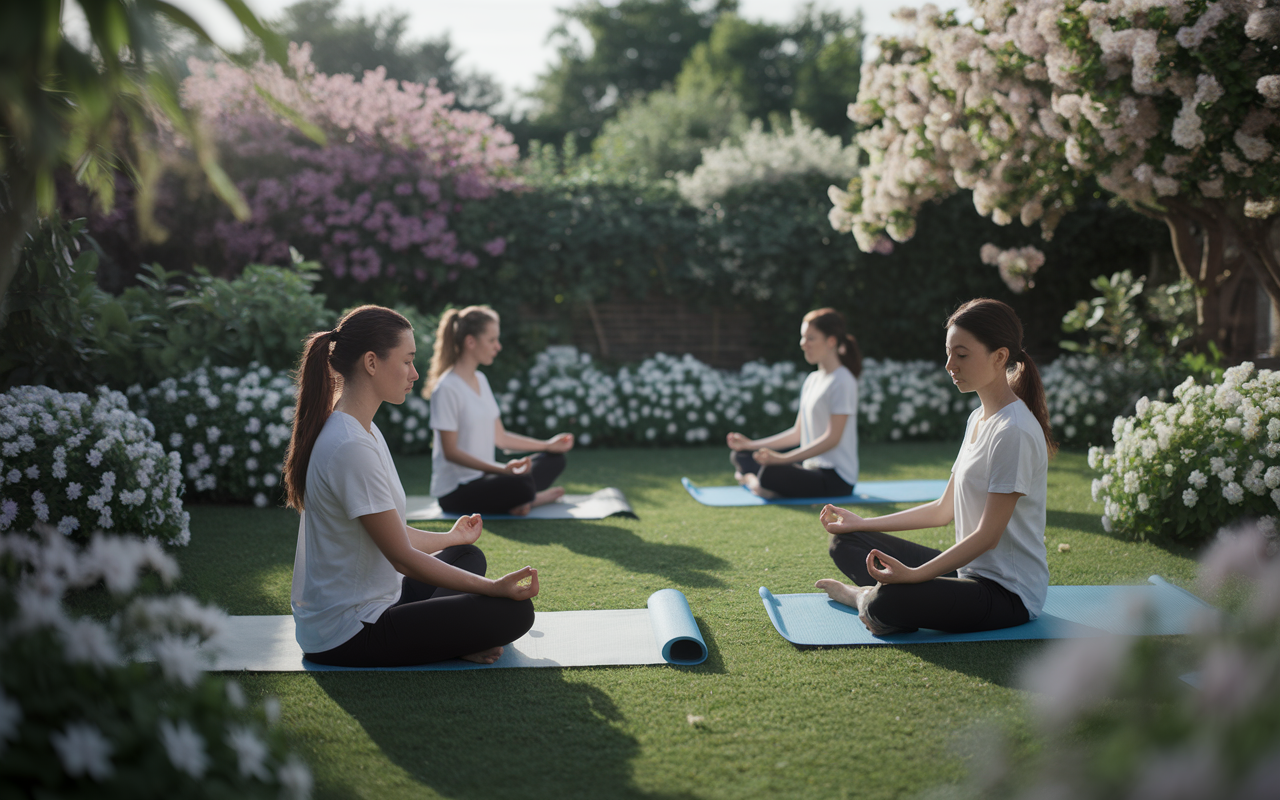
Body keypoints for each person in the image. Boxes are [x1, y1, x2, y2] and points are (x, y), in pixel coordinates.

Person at [285, 305, 538, 667]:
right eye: (406, 361)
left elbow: (391, 533)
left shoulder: (364, 430)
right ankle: (449, 639)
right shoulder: (350, 446)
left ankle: (446, 635)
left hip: (379, 600)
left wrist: (451, 539)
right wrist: (493, 587)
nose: (415, 374)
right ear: (371, 363)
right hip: (349, 632)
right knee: (514, 613)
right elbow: (401, 556)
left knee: (467, 556)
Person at [815, 298, 1055, 635]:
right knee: (847, 541)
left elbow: (987, 537)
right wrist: (863, 521)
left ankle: (866, 599)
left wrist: (914, 575)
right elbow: (943, 510)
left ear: (1000, 357)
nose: (949, 365)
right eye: (948, 353)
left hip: (1006, 595)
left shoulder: (1012, 431)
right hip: (967, 574)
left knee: (890, 602)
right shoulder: (978, 419)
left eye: (962, 355)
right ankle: (883, 598)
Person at [427, 305, 575, 516]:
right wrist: (502, 470)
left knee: (554, 460)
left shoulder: (481, 380)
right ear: (471, 342)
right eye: (492, 340)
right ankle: (532, 500)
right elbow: (450, 453)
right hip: (457, 491)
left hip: (489, 478)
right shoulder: (446, 389)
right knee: (520, 483)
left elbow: (502, 438)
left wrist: (548, 445)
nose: (498, 346)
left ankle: (523, 500)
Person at [725, 307, 862, 498]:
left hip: (835, 479)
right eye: (803, 337)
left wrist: (783, 459)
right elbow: (797, 434)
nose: (803, 344)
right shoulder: (813, 379)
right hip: (810, 466)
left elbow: (833, 438)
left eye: (810, 338)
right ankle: (759, 484)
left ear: (831, 341)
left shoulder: (843, 381)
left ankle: (752, 481)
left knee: (771, 471)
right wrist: (751, 445)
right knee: (742, 456)